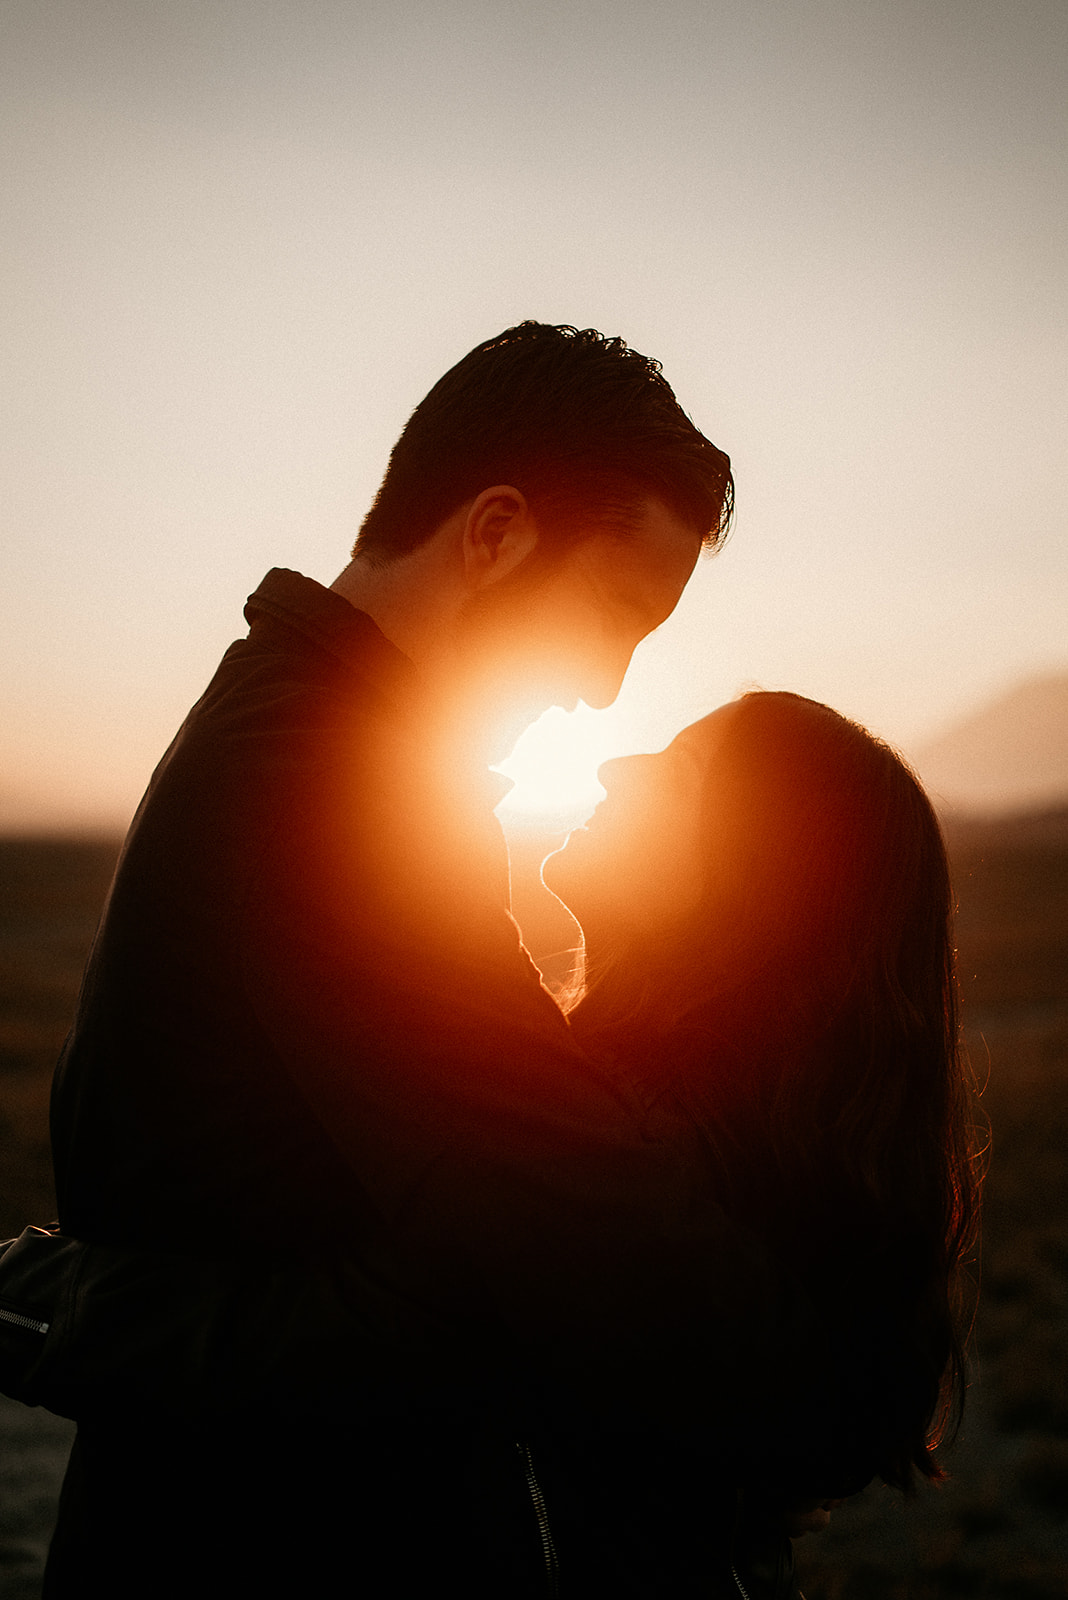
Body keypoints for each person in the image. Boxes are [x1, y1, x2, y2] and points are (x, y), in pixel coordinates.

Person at [43, 322, 819, 1596]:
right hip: (253, 1541)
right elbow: (555, 1201)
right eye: (617, 613)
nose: (611, 689)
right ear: (496, 530)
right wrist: (834, 1361)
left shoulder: (310, 734)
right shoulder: (325, 778)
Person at [534, 690, 981, 1588]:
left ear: (756, 879)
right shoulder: (675, 1144)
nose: (619, 766)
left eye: (683, 770)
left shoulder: (615, 1145)